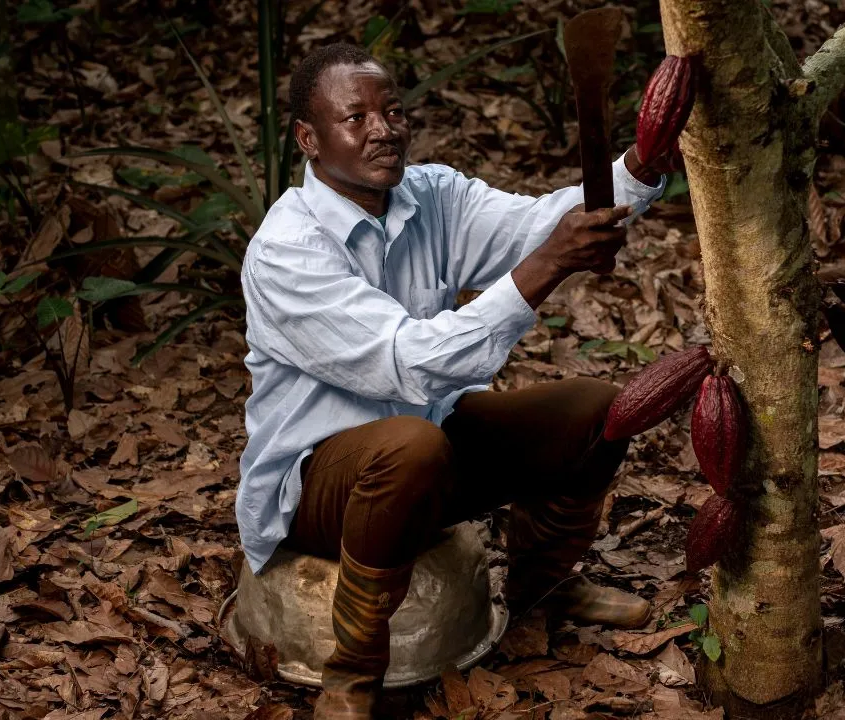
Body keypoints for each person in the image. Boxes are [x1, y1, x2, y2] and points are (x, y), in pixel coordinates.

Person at [237, 41, 670, 719]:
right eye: (356, 118)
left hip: (425, 451)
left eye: (393, 110)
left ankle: (540, 590)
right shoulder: (287, 249)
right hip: (319, 486)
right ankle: (350, 676)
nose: (383, 129)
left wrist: (642, 163)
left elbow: (536, 226)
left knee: (595, 412)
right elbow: (408, 362)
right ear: (308, 139)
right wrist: (547, 267)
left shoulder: (430, 194)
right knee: (407, 444)